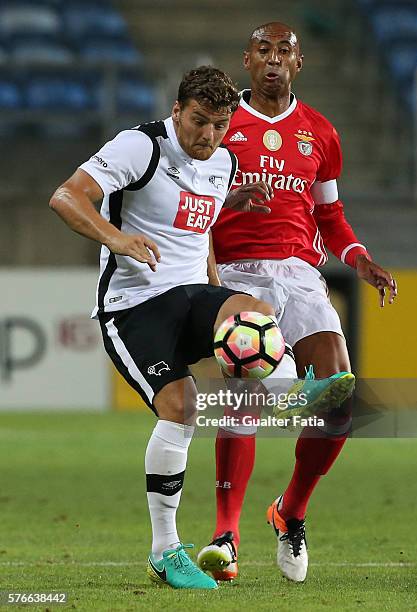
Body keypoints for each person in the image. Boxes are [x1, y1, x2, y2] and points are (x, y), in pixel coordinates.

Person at [48, 66, 292, 590]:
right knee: (181, 408)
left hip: (192, 295)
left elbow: (193, 223)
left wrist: (223, 240)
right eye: (199, 122)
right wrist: (116, 238)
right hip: (134, 305)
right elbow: (66, 197)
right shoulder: (141, 146)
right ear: (177, 110)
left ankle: (290, 385)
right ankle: (166, 551)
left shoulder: (223, 162)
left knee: (251, 310)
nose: (209, 137)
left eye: (221, 126)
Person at [197, 23, 397, 583]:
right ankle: (226, 536)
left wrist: (359, 259)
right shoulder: (221, 123)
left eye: (283, 52)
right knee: (244, 393)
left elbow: (330, 217)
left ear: (298, 63)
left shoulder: (321, 132)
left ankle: (290, 512)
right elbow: (192, 195)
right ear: (246, 60)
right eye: (263, 51)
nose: (272, 61)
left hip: (301, 276)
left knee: (337, 399)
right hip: (236, 272)